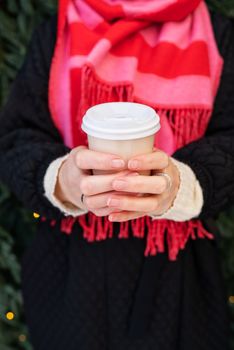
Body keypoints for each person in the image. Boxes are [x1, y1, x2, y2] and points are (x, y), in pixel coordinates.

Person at [0, 0, 233, 349]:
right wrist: (63, 179)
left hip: (180, 277)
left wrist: (180, 184)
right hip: (71, 278)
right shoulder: (58, 31)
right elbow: (16, 138)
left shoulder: (218, 34)